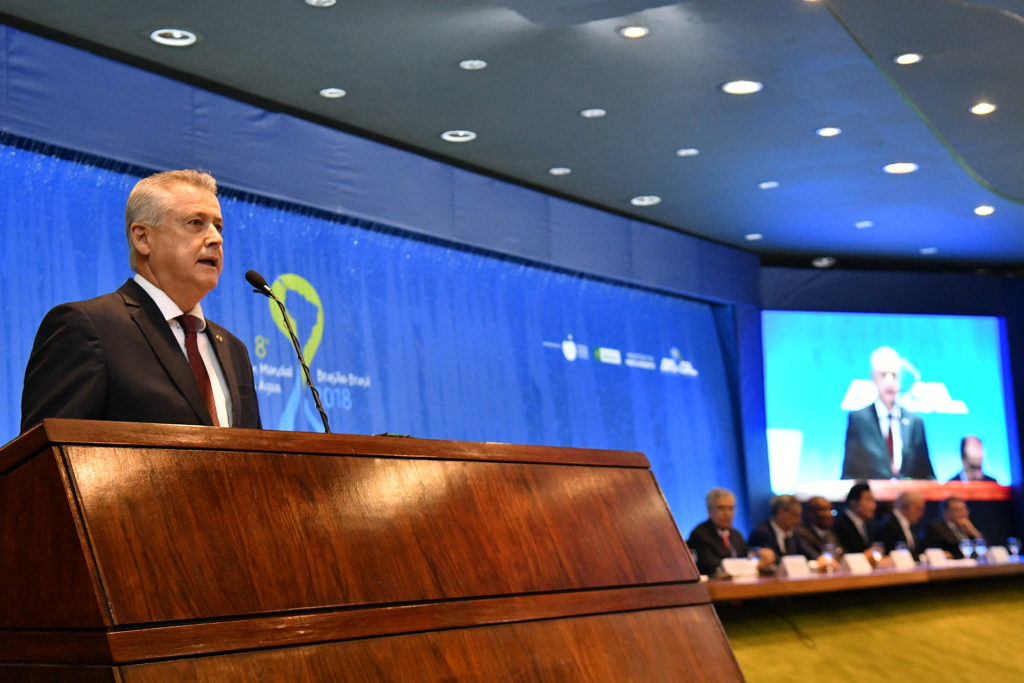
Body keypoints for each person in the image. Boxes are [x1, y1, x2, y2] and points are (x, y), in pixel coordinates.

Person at [21, 169, 261, 431]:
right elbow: (45, 461)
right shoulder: (88, 328)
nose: (216, 238)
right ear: (142, 238)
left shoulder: (234, 350)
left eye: (218, 226)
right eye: (195, 223)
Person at [842, 346, 935, 480]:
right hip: (873, 498)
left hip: (908, 498)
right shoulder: (858, 420)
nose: (890, 382)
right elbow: (849, 472)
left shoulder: (915, 422)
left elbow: (927, 474)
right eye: (884, 375)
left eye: (894, 375)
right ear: (874, 378)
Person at [687, 488, 775, 577]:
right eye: (721, 508)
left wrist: (759, 556)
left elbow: (745, 558)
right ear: (709, 511)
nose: (727, 513)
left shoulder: (735, 534)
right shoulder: (700, 534)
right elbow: (711, 566)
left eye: (731, 508)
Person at [748, 495, 804, 560]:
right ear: (781, 512)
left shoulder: (795, 533)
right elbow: (773, 560)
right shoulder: (762, 533)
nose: (799, 520)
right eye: (795, 515)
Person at [875, 490, 926, 560]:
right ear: (907, 507)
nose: (921, 514)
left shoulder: (909, 525)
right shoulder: (887, 525)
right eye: (919, 509)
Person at [833, 481, 877, 555]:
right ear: (853, 502)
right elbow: (844, 555)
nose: (874, 506)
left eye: (873, 501)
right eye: (869, 500)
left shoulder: (868, 524)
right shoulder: (840, 525)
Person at [796, 495, 843, 564]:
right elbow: (815, 557)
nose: (829, 514)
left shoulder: (830, 533)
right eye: (823, 510)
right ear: (810, 513)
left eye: (830, 509)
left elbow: (840, 554)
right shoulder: (801, 533)